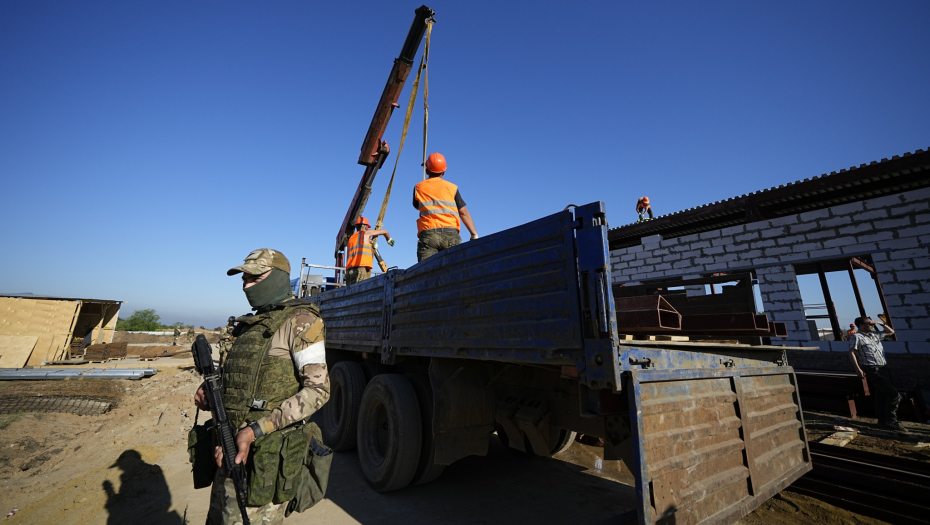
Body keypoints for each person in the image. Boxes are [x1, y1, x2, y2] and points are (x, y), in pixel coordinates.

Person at [194, 248, 330, 524]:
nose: (247, 285)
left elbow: (318, 390)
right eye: (244, 278)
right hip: (228, 451)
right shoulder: (248, 326)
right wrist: (210, 391)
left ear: (279, 277)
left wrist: (255, 430)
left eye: (256, 277)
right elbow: (240, 380)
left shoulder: (301, 321)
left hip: (265, 459)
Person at [413, 152, 478, 262]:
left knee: (427, 273)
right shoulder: (452, 188)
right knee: (454, 273)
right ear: (444, 171)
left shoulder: (418, 187)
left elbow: (416, 206)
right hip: (450, 235)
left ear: (427, 170)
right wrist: (473, 234)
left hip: (429, 235)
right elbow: (463, 212)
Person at [848, 316, 905, 432]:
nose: (872, 325)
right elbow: (852, 352)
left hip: (883, 367)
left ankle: (882, 421)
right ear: (861, 326)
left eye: (872, 324)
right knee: (894, 394)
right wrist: (858, 369)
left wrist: (879, 322)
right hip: (871, 368)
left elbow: (891, 332)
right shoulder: (856, 337)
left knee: (881, 394)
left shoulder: (874, 335)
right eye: (869, 324)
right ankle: (891, 420)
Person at [345, 217, 393, 285]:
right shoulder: (365, 233)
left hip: (349, 270)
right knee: (361, 292)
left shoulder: (351, 238)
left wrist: (370, 243)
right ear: (365, 227)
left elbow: (360, 245)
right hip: (360, 269)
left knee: (351, 294)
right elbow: (385, 232)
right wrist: (388, 239)